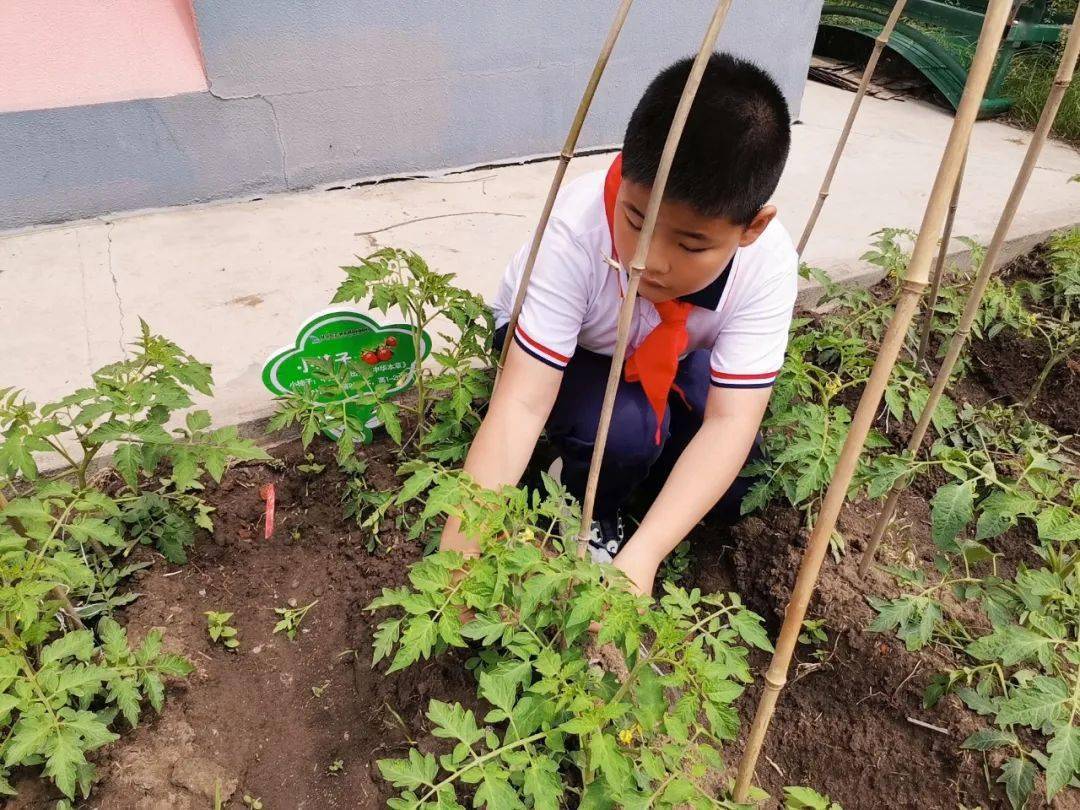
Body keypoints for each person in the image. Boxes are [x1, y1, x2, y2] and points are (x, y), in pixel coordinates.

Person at [440, 52, 798, 596]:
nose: (647, 260)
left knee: (737, 483)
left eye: (690, 243)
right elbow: (521, 403)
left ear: (752, 227)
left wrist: (646, 558)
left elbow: (731, 422)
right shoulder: (577, 229)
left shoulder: (766, 263)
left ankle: (636, 498)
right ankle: (581, 496)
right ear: (625, 165)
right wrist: (457, 567)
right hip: (569, 348)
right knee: (622, 434)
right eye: (636, 219)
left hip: (668, 350)